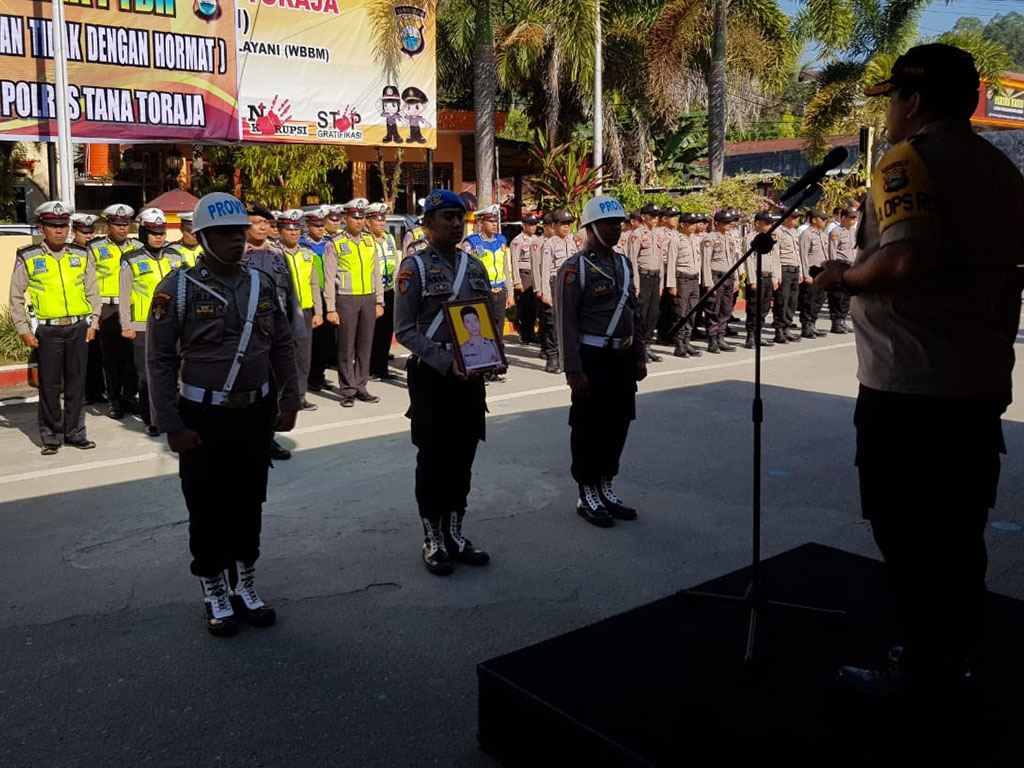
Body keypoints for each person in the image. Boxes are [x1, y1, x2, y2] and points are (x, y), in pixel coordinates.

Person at [815, 44, 1024, 699]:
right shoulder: (1001, 168)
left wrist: (844, 275)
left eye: (893, 102)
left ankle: (920, 672)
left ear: (911, 102)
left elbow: (905, 260)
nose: (892, 116)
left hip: (911, 384)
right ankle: (953, 659)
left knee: (908, 534)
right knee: (960, 530)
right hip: (979, 376)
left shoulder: (908, 160)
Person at [147, 192, 299, 637]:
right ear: (201, 237)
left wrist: (289, 400)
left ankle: (245, 583)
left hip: (254, 412)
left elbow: (283, 344)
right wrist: (171, 424)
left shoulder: (261, 282)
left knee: (249, 500)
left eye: (239, 232)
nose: (236, 241)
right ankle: (214, 588)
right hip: (202, 417)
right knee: (207, 504)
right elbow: (158, 361)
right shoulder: (176, 288)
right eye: (224, 234)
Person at [394, 189, 498, 575]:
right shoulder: (414, 268)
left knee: (463, 457)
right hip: (433, 379)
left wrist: (493, 358)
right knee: (434, 459)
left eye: (460, 217)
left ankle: (456, 532)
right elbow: (404, 330)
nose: (456, 223)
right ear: (427, 224)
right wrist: (444, 359)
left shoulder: (475, 267)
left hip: (471, 380)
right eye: (447, 217)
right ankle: (433, 537)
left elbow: (486, 319)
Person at [558, 195, 646, 527]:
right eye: (609, 223)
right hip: (592, 359)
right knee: (588, 428)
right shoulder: (574, 269)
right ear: (591, 227)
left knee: (618, 424)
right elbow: (566, 322)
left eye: (619, 223)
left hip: (621, 357)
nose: (616, 229)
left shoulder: (624, 264)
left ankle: (607, 486)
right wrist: (573, 369)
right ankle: (587, 493)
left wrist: (639, 354)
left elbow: (633, 314)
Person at [9, 202, 100, 455]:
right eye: (53, 226)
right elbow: (16, 297)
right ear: (42, 228)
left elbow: (93, 290)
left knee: (77, 383)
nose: (59, 231)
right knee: (49, 386)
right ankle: (51, 437)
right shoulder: (28, 257)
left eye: (63, 226)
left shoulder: (81, 255)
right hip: (48, 332)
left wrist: (93, 321)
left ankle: (75, 433)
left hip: (78, 327)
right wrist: (23, 330)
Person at [243, 202, 305, 461]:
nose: (263, 227)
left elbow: (290, 294)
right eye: (257, 222)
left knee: (273, 390)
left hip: (276, 334)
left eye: (267, 223)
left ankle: (268, 438)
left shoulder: (278, 256)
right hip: (247, 336)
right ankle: (247, 439)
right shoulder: (236, 257)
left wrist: (296, 327)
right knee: (248, 391)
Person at [119, 207, 187, 436]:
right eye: (153, 232)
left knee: (175, 372)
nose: (159, 236)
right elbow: (124, 294)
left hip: (174, 324)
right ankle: (152, 420)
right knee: (148, 376)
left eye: (162, 232)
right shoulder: (131, 259)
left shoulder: (176, 257)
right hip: (142, 326)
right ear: (143, 233)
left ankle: (176, 414)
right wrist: (126, 325)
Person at [324, 198, 385, 407]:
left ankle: (361, 386)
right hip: (346, 299)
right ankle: (347, 389)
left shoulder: (369, 242)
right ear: (345, 219)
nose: (359, 222)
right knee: (345, 346)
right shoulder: (336, 243)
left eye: (362, 218)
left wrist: (379, 301)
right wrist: (330, 308)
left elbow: (376, 273)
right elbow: (329, 278)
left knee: (365, 345)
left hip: (367, 298)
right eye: (355, 218)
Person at [90, 203, 142, 420]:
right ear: (108, 224)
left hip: (131, 307)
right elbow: (89, 281)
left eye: (125, 224)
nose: (122, 228)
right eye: (117, 224)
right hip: (108, 308)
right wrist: (94, 313)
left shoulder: (138, 247)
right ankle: (115, 398)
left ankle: (130, 396)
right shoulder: (95, 248)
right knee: (111, 356)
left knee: (132, 355)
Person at [463, 204, 514, 381]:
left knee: (498, 332)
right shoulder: (471, 243)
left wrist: (510, 292)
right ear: (481, 222)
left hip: (499, 291)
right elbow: (466, 269)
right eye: (490, 221)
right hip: (481, 293)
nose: (494, 224)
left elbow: (505, 268)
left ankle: (495, 367)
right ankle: (481, 370)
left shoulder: (501, 241)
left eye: (496, 221)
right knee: (483, 332)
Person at [279, 209, 324, 410]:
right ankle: (281, 396)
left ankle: (300, 394)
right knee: (281, 356)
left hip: (305, 311)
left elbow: (315, 284)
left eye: (297, 229)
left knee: (304, 356)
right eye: (289, 229)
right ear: (280, 231)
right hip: (282, 313)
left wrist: (319, 311)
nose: (294, 233)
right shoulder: (273, 254)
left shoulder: (308, 253)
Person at [537, 209, 575, 373]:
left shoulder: (572, 242)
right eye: (562, 224)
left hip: (570, 285)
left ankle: (564, 356)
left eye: (568, 224)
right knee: (553, 322)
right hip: (554, 284)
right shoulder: (549, 244)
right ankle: (552, 357)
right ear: (554, 225)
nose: (566, 227)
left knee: (568, 322)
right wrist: (545, 293)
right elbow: (544, 270)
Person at [301, 206, 334, 392]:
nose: (320, 228)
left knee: (325, 341)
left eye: (322, 224)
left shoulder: (330, 243)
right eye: (316, 225)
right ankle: (308, 378)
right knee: (310, 342)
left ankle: (319, 375)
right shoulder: (301, 245)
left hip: (327, 295)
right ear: (308, 225)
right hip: (311, 297)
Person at [699, 209, 741, 353]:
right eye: (725, 222)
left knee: (726, 308)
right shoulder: (709, 238)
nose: (729, 225)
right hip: (715, 276)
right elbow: (705, 261)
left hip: (728, 276)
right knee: (713, 309)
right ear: (717, 223)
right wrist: (708, 282)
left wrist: (735, 279)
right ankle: (712, 340)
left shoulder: (729, 238)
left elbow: (733, 260)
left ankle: (721, 337)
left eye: (730, 222)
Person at [627, 203, 664, 363]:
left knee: (653, 314)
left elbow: (661, 260)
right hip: (643, 277)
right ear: (643, 217)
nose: (655, 219)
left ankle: (648, 345)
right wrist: (635, 283)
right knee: (641, 314)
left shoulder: (658, 234)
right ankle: (639, 347)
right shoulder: (636, 235)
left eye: (657, 216)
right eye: (652, 216)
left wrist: (661, 283)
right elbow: (632, 260)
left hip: (655, 277)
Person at [366, 202, 399, 380]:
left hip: (389, 288)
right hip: (371, 291)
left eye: (383, 219)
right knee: (372, 331)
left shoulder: (389, 238)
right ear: (368, 221)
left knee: (386, 330)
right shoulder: (365, 240)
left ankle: (382, 367)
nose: (381, 223)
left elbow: (395, 261)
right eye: (377, 219)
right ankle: (370, 368)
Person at [665, 212, 704, 358]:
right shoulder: (676, 240)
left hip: (694, 280)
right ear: (683, 225)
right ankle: (679, 344)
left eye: (695, 223)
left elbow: (698, 262)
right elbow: (671, 263)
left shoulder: (695, 240)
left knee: (692, 312)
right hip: (682, 280)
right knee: (680, 313)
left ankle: (687, 341)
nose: (694, 226)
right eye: (691, 223)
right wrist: (671, 284)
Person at [743, 211, 782, 349]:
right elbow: (749, 260)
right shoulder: (751, 238)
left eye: (770, 224)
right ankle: (751, 337)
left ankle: (758, 335)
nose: (769, 226)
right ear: (757, 223)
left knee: (764, 309)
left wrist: (775, 277)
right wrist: (752, 281)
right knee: (754, 308)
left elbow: (774, 258)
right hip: (757, 277)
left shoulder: (770, 238)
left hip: (767, 277)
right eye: (766, 224)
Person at [772, 209, 805, 344]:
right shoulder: (778, 232)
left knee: (792, 301)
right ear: (785, 218)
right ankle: (779, 330)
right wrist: (777, 274)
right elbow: (775, 255)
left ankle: (787, 327)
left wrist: (801, 272)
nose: (796, 220)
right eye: (794, 218)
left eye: (797, 218)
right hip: (784, 269)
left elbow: (797, 254)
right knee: (782, 300)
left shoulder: (794, 232)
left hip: (794, 269)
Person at [797, 208, 830, 338]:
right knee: (808, 299)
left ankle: (813, 324)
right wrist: (805, 274)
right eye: (823, 219)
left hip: (821, 271)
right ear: (814, 220)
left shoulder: (822, 234)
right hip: (811, 270)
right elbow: (803, 255)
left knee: (819, 298)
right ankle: (806, 326)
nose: (825, 221)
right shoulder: (807, 234)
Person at [510, 213, 541, 344]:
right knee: (524, 306)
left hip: (535, 274)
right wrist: (517, 280)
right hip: (524, 274)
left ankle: (531, 333)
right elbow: (514, 261)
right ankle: (524, 334)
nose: (533, 227)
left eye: (535, 224)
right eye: (530, 224)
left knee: (534, 306)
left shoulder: (537, 239)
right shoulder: (517, 241)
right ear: (524, 225)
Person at [826, 206, 859, 333]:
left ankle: (843, 320)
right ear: (843, 218)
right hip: (840, 266)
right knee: (837, 296)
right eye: (851, 218)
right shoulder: (836, 232)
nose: (854, 220)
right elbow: (832, 252)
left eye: (855, 218)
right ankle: (836, 322)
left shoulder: (853, 232)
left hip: (851, 266)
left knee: (846, 296)